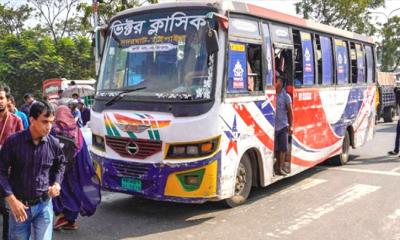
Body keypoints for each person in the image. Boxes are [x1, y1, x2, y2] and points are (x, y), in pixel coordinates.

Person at [0, 101, 66, 240]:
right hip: (19, 207)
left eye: (51, 122)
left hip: (44, 205)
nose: (49, 127)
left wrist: (57, 184)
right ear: (32, 120)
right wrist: (11, 200)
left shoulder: (53, 143)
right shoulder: (13, 142)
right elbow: (1, 171)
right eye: (44, 121)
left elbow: (61, 163)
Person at [52, 106, 101, 230]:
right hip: (75, 169)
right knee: (74, 190)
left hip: (59, 169)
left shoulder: (54, 129)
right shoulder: (77, 130)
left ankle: (64, 217)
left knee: (61, 192)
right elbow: (83, 152)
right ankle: (70, 220)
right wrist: (86, 169)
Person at [0, 86, 24, 240]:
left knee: (7, 210)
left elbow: (23, 148)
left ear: (7, 100)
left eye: (1, 98)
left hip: (8, 173)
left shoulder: (16, 121)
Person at [274, 74, 293, 176]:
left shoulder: (286, 96)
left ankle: (280, 168)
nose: (276, 83)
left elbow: (290, 112)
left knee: (282, 149)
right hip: (273, 126)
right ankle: (276, 168)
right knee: (276, 149)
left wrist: (291, 125)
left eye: (277, 81)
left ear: (281, 83)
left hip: (283, 126)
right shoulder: (271, 94)